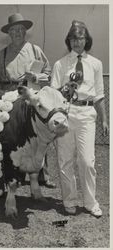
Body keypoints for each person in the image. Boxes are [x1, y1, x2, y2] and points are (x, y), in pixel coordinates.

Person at [0, 13, 56, 188]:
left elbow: (48, 74)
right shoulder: (2, 54)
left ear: (25, 32)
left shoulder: (35, 50)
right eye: (13, 30)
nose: (17, 33)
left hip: (30, 98)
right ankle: (13, 173)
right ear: (9, 34)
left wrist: (36, 76)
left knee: (37, 136)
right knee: (12, 137)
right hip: (9, 99)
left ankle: (43, 174)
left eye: (20, 29)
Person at [51, 20, 109, 217]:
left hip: (86, 115)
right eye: (73, 38)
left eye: (80, 38)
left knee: (87, 161)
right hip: (66, 114)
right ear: (69, 41)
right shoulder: (60, 64)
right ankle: (69, 200)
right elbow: (53, 93)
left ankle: (90, 202)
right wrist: (64, 90)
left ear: (87, 40)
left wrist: (104, 120)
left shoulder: (96, 64)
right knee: (65, 160)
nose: (76, 42)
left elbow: (99, 95)